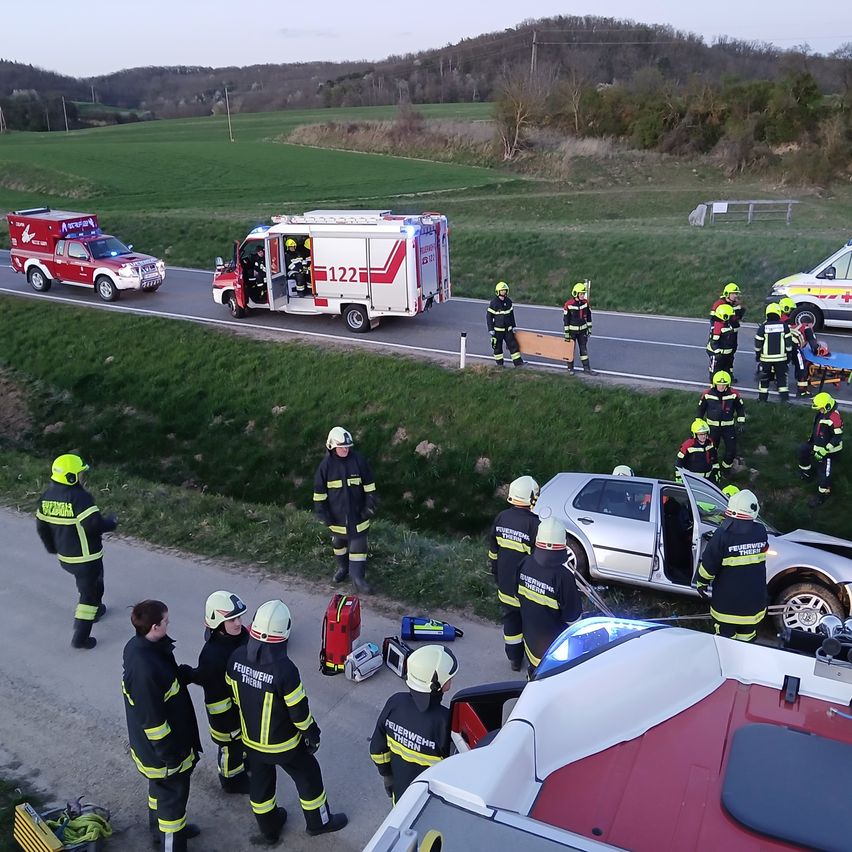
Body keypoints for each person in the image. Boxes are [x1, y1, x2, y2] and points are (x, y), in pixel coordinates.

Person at [226, 600, 347, 845]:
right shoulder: (285, 670)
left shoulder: (236, 657)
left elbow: (233, 695)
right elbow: (299, 713)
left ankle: (269, 831)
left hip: (251, 742)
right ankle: (319, 823)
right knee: (309, 775)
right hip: (284, 746)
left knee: (261, 787)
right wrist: (312, 733)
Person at [122, 600, 202, 851]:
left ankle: (159, 831)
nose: (169, 623)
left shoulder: (142, 647)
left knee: (159, 792)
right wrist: (171, 759)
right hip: (164, 754)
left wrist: (187, 675)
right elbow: (154, 722)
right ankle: (171, 839)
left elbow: (166, 680)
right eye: (166, 621)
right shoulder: (145, 668)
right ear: (155, 627)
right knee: (172, 801)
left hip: (157, 752)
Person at [36, 453, 117, 650]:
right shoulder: (80, 498)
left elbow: (42, 527)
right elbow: (93, 525)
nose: (83, 477)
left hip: (66, 557)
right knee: (87, 597)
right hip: (86, 557)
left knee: (95, 583)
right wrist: (111, 522)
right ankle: (81, 638)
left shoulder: (46, 497)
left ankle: (97, 610)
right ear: (71, 477)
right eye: (80, 473)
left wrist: (51, 548)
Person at [369, 645, 458, 804]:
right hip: (432, 803)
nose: (452, 678)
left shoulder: (395, 703)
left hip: (400, 797)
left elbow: (377, 749)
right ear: (436, 684)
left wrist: (387, 776)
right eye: (449, 677)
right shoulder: (445, 721)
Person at [190, 591, 250, 794]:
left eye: (238, 618)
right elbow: (210, 685)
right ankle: (230, 781)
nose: (237, 623)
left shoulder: (242, 637)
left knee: (241, 744)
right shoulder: (211, 654)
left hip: (242, 709)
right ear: (217, 623)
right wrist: (227, 721)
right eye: (231, 619)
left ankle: (244, 766)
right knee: (229, 749)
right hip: (225, 716)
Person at [695, 490, 769, 642]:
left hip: (726, 608)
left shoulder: (722, 534)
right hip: (753, 607)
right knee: (746, 644)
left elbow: (709, 565)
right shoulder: (761, 531)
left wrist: (701, 583)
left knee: (726, 647)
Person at [313, 426, 377, 594]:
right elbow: (319, 494)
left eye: (348, 446)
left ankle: (358, 579)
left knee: (358, 546)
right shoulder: (325, 467)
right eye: (341, 446)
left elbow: (370, 486)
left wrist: (370, 505)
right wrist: (323, 514)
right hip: (336, 518)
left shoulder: (358, 461)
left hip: (358, 516)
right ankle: (343, 568)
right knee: (338, 543)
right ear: (332, 446)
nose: (345, 449)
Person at [516, 518, 582, 676]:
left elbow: (517, 595)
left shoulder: (525, 563)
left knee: (533, 675)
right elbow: (573, 619)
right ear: (562, 544)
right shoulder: (563, 576)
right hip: (554, 651)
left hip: (530, 642)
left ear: (538, 540)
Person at [487, 476, 541, 671]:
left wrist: (496, 572)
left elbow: (493, 550)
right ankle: (534, 663)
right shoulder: (535, 525)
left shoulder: (501, 517)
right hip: (526, 589)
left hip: (505, 585)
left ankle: (514, 660)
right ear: (531, 497)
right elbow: (539, 560)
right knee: (530, 626)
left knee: (511, 623)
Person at [798, 392, 844, 507]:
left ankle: (823, 494)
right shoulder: (823, 413)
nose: (819, 410)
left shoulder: (834, 418)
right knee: (803, 451)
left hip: (830, 452)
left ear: (827, 406)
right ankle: (807, 473)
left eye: (821, 408)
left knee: (824, 474)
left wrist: (824, 450)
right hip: (817, 444)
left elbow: (837, 437)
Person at [697, 371, 745, 473]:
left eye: (724, 384)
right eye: (719, 384)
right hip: (712, 428)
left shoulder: (733, 395)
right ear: (715, 383)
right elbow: (700, 410)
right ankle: (713, 469)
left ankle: (725, 469)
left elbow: (740, 408)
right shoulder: (707, 394)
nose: (722, 387)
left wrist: (741, 422)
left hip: (728, 427)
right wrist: (698, 424)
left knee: (731, 450)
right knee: (711, 450)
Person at [754, 303, 792, 402]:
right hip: (781, 358)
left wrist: (758, 355)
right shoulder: (784, 326)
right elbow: (788, 343)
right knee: (781, 378)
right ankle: (784, 400)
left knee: (764, 379)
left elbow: (758, 343)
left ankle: (762, 399)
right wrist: (789, 354)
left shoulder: (763, 327)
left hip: (766, 359)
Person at [486, 281, 523, 367]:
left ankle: (518, 363)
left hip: (508, 330)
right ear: (498, 292)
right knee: (497, 348)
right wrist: (491, 329)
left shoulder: (509, 302)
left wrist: (513, 326)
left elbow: (511, 315)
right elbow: (489, 317)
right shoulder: (494, 303)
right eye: (502, 291)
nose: (504, 292)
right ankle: (500, 365)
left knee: (513, 345)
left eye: (505, 290)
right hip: (497, 330)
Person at [563, 282, 593, 373]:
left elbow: (588, 316)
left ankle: (586, 368)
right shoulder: (568, 304)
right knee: (570, 350)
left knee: (583, 350)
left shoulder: (585, 303)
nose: (583, 295)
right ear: (575, 293)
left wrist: (589, 329)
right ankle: (570, 368)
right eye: (581, 293)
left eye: (583, 293)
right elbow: (566, 320)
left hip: (583, 331)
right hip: (572, 332)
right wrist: (567, 334)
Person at [789, 315, 818, 397]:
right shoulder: (807, 328)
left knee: (783, 363)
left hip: (782, 346)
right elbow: (813, 345)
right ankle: (802, 391)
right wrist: (816, 352)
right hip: (794, 346)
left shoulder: (794, 326)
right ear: (810, 324)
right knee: (802, 367)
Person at [706, 303, 736, 380]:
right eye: (730, 316)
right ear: (725, 316)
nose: (732, 317)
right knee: (715, 370)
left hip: (726, 352)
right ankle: (713, 384)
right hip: (717, 353)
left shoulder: (727, 324)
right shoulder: (718, 326)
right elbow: (714, 342)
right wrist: (717, 353)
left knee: (726, 368)